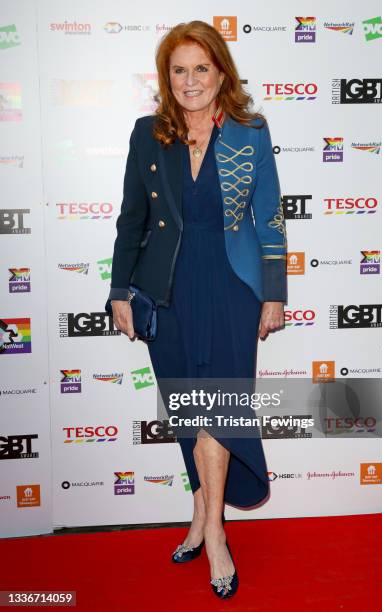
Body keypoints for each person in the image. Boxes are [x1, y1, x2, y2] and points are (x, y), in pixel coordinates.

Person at [107, 20, 287, 599]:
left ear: (220, 73)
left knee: (216, 408)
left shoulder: (250, 132)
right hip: (166, 287)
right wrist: (118, 291)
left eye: (200, 68)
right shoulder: (146, 134)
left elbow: (270, 216)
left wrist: (275, 292)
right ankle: (199, 514)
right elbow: (132, 219)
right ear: (168, 77)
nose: (190, 81)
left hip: (231, 286)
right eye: (179, 70)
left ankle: (213, 533)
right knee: (188, 409)